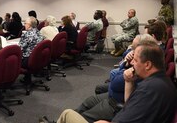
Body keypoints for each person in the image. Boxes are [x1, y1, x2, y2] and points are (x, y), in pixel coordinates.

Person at [49, 40, 177, 123]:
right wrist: (128, 81)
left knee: (67, 114)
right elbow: (128, 106)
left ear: (148, 65)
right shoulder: (160, 82)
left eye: (136, 60)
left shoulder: (150, 89)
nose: (132, 63)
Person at [18, 17, 44, 81]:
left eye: (25, 23)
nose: (24, 25)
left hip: (27, 60)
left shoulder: (27, 34)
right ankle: (27, 78)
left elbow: (19, 49)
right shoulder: (39, 32)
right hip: (37, 58)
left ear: (30, 25)